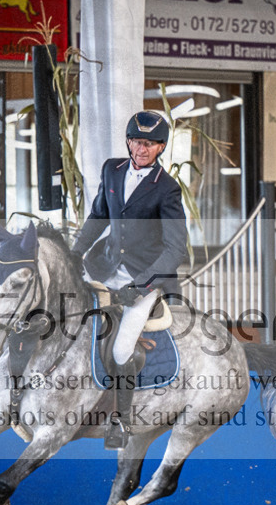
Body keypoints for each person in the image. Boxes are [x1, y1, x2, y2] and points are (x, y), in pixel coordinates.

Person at [71, 110, 188, 449]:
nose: (141, 149)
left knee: (122, 348)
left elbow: (175, 249)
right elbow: (98, 216)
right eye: (137, 141)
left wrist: (142, 286)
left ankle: (120, 422)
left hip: (144, 276)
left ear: (161, 147)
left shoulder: (166, 189)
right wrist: (74, 253)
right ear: (128, 141)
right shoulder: (112, 169)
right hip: (104, 266)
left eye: (150, 144)